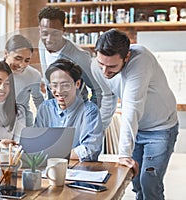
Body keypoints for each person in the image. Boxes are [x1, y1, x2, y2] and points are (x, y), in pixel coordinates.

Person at [91, 29, 179, 200]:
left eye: (111, 66)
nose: (104, 71)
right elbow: (108, 100)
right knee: (136, 180)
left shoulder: (141, 61)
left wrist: (123, 154)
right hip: (137, 128)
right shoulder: (100, 65)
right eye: (101, 64)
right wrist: (96, 133)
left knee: (149, 183)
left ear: (127, 57)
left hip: (160, 129)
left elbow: (131, 108)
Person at [34, 59, 103, 162]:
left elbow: (90, 150)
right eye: (54, 85)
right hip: (48, 169)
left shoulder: (89, 111)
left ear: (77, 84)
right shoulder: (45, 108)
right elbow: (36, 143)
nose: (59, 91)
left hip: (80, 170)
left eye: (65, 85)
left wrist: (53, 153)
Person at [38, 6, 102, 106]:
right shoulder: (41, 44)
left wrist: (89, 117)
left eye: (55, 33)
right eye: (45, 33)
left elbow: (98, 90)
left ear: (63, 30)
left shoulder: (79, 56)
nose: (49, 39)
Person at [4, 34, 44, 126]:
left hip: (23, 123)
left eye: (27, 60)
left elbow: (37, 99)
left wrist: (46, 121)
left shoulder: (33, 75)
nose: (22, 65)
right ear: (6, 53)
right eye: (18, 58)